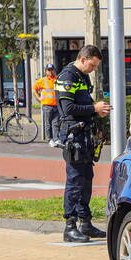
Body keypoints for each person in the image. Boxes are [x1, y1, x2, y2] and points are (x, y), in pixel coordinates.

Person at [56, 44, 112, 243]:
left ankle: (85, 222)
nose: (93, 69)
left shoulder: (82, 77)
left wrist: (96, 114)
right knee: (75, 180)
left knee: (87, 178)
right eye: (92, 65)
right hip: (74, 136)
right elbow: (68, 107)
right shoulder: (67, 77)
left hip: (84, 134)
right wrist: (93, 108)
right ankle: (69, 226)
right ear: (83, 59)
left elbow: (84, 105)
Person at [34, 63, 61, 147]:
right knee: (48, 123)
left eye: (52, 70)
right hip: (47, 106)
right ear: (46, 71)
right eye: (48, 70)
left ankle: (56, 139)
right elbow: (34, 88)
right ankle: (50, 139)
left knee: (55, 123)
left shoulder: (57, 79)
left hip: (56, 105)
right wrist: (38, 98)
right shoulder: (42, 80)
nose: (50, 71)